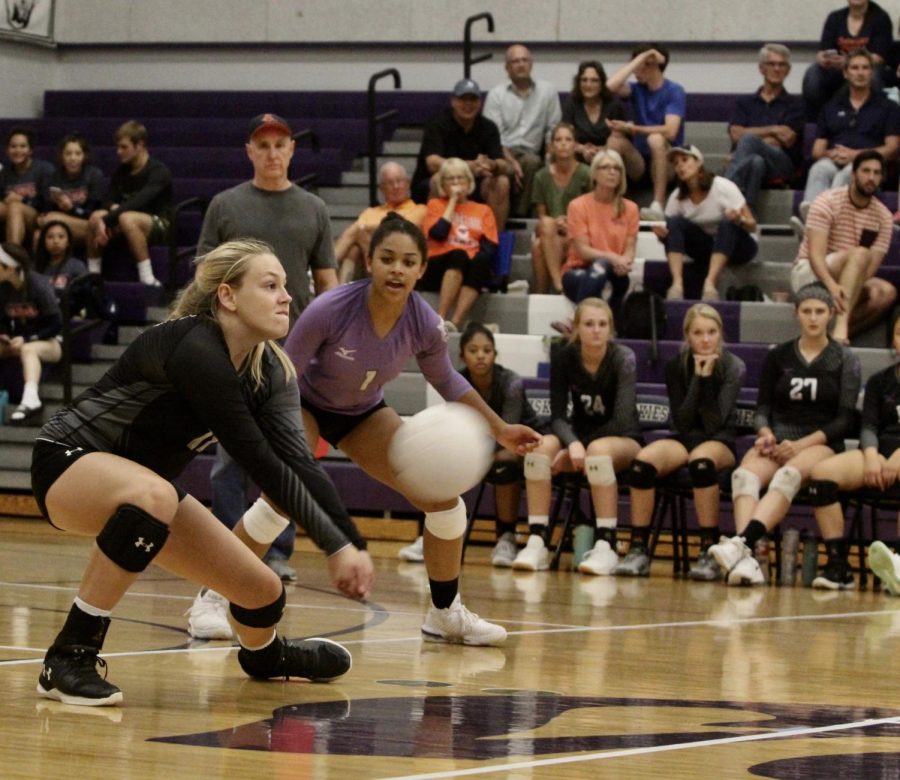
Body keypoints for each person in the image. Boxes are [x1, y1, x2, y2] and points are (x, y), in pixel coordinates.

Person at [30, 239, 371, 707]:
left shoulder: (270, 371)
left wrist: (347, 540)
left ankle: (266, 657)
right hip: (65, 464)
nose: (287, 296)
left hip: (146, 492)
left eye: (286, 286)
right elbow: (255, 455)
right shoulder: (193, 343)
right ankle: (67, 657)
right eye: (270, 285)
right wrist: (335, 545)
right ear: (228, 296)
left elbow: (296, 462)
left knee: (261, 592)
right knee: (155, 497)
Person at [282, 214, 541, 644]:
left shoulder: (424, 322)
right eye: (387, 259)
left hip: (362, 413)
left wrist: (498, 429)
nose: (396, 269)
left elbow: (448, 381)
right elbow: (284, 373)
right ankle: (213, 597)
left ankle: (444, 613)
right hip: (303, 403)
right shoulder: (330, 308)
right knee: (281, 497)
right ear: (369, 261)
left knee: (446, 504)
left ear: (423, 268)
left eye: (408, 261)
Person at [194, 112, 339, 594]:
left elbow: (326, 284)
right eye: (264, 145)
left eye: (281, 144)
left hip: (291, 353)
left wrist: (328, 344)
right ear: (250, 152)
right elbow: (204, 278)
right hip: (234, 348)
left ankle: (275, 554)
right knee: (229, 459)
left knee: (285, 455)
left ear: (292, 150)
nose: (273, 153)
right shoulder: (225, 205)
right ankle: (230, 552)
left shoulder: (313, 208)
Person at [709, 284, 861, 586]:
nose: (813, 318)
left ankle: (742, 545)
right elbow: (763, 406)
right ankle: (749, 562)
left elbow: (845, 419)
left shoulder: (845, 359)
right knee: (744, 477)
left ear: (831, 314)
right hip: (778, 438)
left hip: (819, 442)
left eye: (820, 311)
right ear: (797, 314)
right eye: (807, 311)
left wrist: (801, 445)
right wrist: (765, 433)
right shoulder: (779, 355)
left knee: (787, 476)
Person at [615, 304, 745, 579]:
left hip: (719, 440)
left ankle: (708, 550)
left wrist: (707, 376)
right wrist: (697, 377)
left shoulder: (733, 366)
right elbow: (683, 420)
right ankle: (638, 548)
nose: (706, 339)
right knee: (642, 465)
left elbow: (713, 423)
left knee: (701, 463)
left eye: (712, 332)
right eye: (698, 332)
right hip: (684, 437)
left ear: (721, 333)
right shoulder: (676, 366)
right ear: (687, 336)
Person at [514, 297, 641, 574]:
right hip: (580, 436)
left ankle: (607, 545)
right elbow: (558, 416)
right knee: (540, 449)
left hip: (623, 438)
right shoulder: (563, 355)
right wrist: (571, 443)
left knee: (597, 452)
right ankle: (537, 541)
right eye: (589, 324)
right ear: (576, 329)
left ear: (611, 328)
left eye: (602, 324)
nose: (596, 330)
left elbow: (620, 420)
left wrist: (578, 448)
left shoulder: (623, 358)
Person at [807, 309, 900, 589]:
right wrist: (871, 455)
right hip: (879, 453)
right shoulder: (880, 381)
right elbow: (869, 425)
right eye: (899, 333)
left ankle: (898, 563)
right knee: (823, 474)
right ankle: (838, 566)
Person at [459, 322, 543, 567]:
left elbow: (510, 431)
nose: (481, 355)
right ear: (462, 355)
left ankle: (506, 537)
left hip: (523, 445)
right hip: (480, 448)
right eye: (473, 350)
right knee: (443, 460)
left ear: (495, 354)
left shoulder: (511, 382)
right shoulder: (457, 383)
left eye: (487, 350)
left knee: (504, 461)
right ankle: (431, 534)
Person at [791, 150, 895, 344]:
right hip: (811, 272)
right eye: (866, 171)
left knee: (886, 292)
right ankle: (840, 325)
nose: (871, 177)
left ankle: (831, 337)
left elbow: (869, 271)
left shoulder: (884, 217)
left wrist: (846, 288)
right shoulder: (827, 201)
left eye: (876, 173)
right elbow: (815, 255)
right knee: (860, 254)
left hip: (850, 277)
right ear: (854, 174)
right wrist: (832, 286)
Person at [798, 48, 900, 216]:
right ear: (845, 73)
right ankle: (812, 217)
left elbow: (892, 149)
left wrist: (856, 155)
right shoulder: (831, 107)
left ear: (872, 73)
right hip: (834, 161)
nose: (860, 73)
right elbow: (817, 150)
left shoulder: (888, 107)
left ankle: (825, 220)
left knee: (848, 173)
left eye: (865, 68)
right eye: (855, 68)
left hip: (870, 166)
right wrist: (834, 154)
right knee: (819, 169)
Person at [652, 145, 757, 302]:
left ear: (698, 162)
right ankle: (677, 284)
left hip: (739, 247)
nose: (680, 165)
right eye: (676, 163)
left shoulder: (723, 186)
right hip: (706, 249)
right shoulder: (676, 197)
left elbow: (752, 225)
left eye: (685, 160)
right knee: (673, 222)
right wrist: (662, 236)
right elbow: (671, 236)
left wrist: (738, 219)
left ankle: (710, 283)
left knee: (727, 224)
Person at [411, 78, 511, 231]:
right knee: (438, 179)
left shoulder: (489, 127)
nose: (468, 104)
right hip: (436, 184)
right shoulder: (437, 124)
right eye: (463, 99)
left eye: (473, 99)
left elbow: (503, 164)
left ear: (480, 103)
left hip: (474, 185)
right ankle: (436, 239)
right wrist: (467, 167)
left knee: (501, 182)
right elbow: (432, 163)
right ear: (453, 101)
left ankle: (494, 241)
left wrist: (492, 165)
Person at [86, 121, 172, 287]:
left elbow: (139, 202)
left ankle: (147, 278)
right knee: (96, 216)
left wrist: (109, 218)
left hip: (159, 223)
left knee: (127, 217)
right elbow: (107, 199)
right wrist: (110, 210)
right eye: (118, 147)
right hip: (124, 221)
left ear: (139, 145)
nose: (119, 152)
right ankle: (93, 276)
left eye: (124, 147)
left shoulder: (159, 171)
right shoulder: (122, 171)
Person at [605, 45, 686, 221]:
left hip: (668, 161)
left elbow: (670, 132)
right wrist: (639, 59)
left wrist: (633, 129)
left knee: (656, 139)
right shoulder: (636, 89)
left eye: (640, 66)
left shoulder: (674, 91)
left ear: (652, 66)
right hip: (640, 163)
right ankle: (609, 202)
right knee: (614, 141)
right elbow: (609, 87)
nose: (634, 71)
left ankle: (658, 204)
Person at [724, 44, 805, 213]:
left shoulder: (796, 104)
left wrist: (746, 143)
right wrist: (774, 129)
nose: (777, 69)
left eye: (781, 65)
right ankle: (748, 216)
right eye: (771, 64)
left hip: (782, 163)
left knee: (748, 141)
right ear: (761, 68)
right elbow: (735, 134)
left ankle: (723, 193)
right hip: (752, 161)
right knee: (755, 162)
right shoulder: (744, 103)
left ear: (788, 70)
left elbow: (785, 141)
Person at [483, 44, 562, 218]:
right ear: (507, 68)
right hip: (502, 153)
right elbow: (493, 136)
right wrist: (511, 161)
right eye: (515, 61)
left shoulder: (547, 92)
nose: (521, 65)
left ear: (531, 64)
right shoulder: (496, 95)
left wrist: (552, 162)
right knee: (509, 171)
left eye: (525, 60)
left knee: (533, 163)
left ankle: (519, 217)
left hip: (532, 154)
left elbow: (552, 131)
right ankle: (515, 217)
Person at [421, 157, 498, 331]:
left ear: (469, 181)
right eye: (450, 179)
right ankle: (440, 318)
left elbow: (490, 246)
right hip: (438, 265)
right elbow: (438, 234)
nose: (456, 183)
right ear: (443, 184)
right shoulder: (434, 205)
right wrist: (453, 202)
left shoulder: (483, 210)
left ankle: (455, 322)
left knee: (480, 261)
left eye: (460, 178)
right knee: (459, 254)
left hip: (468, 265)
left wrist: (475, 258)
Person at [561, 149, 638, 313]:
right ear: (594, 173)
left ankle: (578, 322)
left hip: (615, 274)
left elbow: (630, 247)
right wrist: (613, 257)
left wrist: (624, 261)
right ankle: (589, 321)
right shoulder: (578, 205)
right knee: (599, 269)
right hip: (579, 270)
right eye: (606, 167)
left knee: (618, 280)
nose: (612, 172)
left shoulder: (631, 208)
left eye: (617, 168)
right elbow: (583, 251)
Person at [334, 161, 426, 284]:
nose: (396, 186)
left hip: (397, 261)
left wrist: (364, 229)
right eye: (390, 183)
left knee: (357, 231)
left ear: (408, 184)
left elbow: (401, 229)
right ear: (381, 189)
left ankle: (327, 268)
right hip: (368, 265)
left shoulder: (420, 209)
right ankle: (341, 287)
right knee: (354, 248)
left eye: (399, 181)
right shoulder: (370, 212)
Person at [0, 242, 62, 424]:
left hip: (50, 341)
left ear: (9, 267)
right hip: (16, 341)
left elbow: (56, 324)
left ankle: (30, 400)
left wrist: (27, 339)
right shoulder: (3, 289)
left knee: (28, 349)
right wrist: (4, 336)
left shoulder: (38, 285)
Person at [803, 0, 893, 121]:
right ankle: (816, 124)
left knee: (872, 75)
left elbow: (879, 57)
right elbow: (822, 51)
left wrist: (848, 60)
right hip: (837, 68)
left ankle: (865, 121)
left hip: (867, 67)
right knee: (813, 73)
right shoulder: (835, 17)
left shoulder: (880, 18)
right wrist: (823, 58)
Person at [530, 123, 592, 294]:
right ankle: (557, 285)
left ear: (575, 145)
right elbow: (540, 220)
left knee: (538, 246)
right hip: (552, 234)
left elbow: (593, 214)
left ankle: (543, 293)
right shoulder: (541, 176)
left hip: (578, 235)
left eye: (568, 139)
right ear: (551, 146)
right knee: (545, 229)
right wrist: (555, 224)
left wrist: (570, 224)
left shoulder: (587, 173)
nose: (563, 143)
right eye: (558, 140)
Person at [561, 61, 638, 176]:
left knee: (614, 142)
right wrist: (583, 149)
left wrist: (600, 151)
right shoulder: (571, 104)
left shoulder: (613, 104)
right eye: (584, 80)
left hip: (613, 155)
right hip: (581, 155)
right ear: (578, 82)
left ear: (602, 83)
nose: (588, 84)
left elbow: (620, 140)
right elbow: (565, 136)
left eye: (594, 80)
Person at [36, 133, 105, 248]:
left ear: (84, 156)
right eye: (68, 154)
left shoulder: (94, 175)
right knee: (37, 235)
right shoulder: (54, 177)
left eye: (78, 154)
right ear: (62, 156)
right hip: (60, 226)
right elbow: (46, 207)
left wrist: (72, 208)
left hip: (87, 224)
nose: (73, 158)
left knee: (51, 219)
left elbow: (94, 212)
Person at [0, 127, 53, 247]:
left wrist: (22, 200)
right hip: (11, 216)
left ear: (30, 150)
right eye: (13, 146)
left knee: (15, 206)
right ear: (7, 150)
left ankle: (13, 257)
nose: (17, 150)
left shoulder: (44, 169)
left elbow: (47, 204)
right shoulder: (4, 173)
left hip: (36, 218)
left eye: (23, 146)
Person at [34, 219, 87, 293]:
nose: (56, 241)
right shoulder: (35, 267)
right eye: (50, 237)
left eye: (61, 237)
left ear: (68, 242)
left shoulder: (77, 266)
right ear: (43, 242)